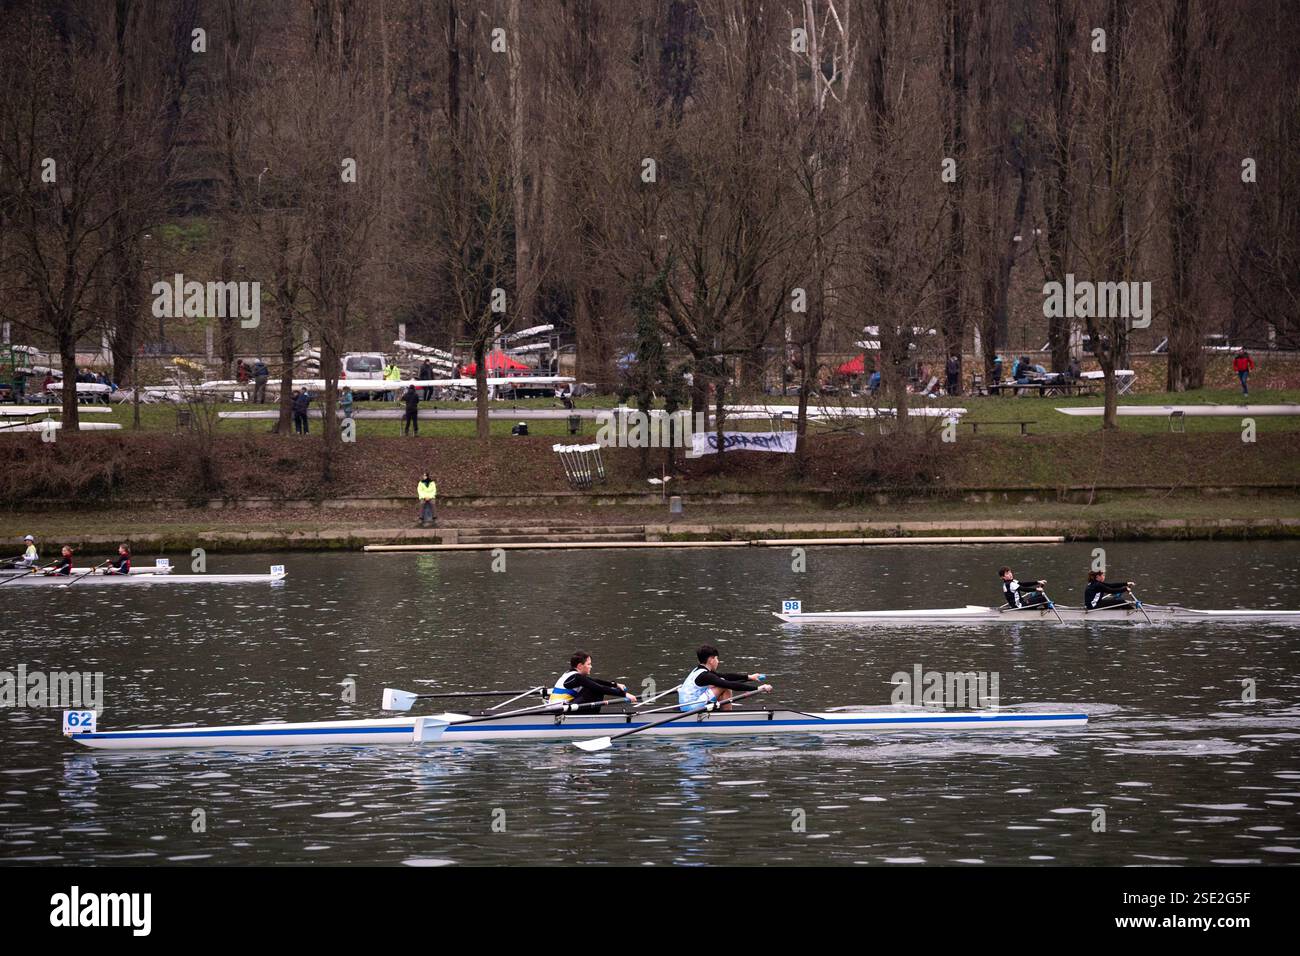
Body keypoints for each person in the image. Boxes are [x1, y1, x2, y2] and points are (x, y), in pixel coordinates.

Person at [678, 644, 772, 712]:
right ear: (711, 660)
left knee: (722, 681)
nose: (718, 661)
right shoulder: (705, 675)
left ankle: (724, 711)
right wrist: (758, 689)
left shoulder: (698, 670)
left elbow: (726, 676)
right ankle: (727, 715)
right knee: (724, 685)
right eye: (717, 659)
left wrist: (749, 677)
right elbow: (728, 683)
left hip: (686, 705)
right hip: (690, 708)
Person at [548, 651, 638, 712]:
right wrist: (625, 694)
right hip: (561, 711)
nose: (591, 667)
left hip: (555, 708)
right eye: (589, 664)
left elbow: (595, 681)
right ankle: (593, 718)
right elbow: (599, 687)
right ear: (580, 666)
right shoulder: (577, 677)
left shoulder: (569, 674)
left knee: (593, 686)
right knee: (596, 690)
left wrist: (616, 685)